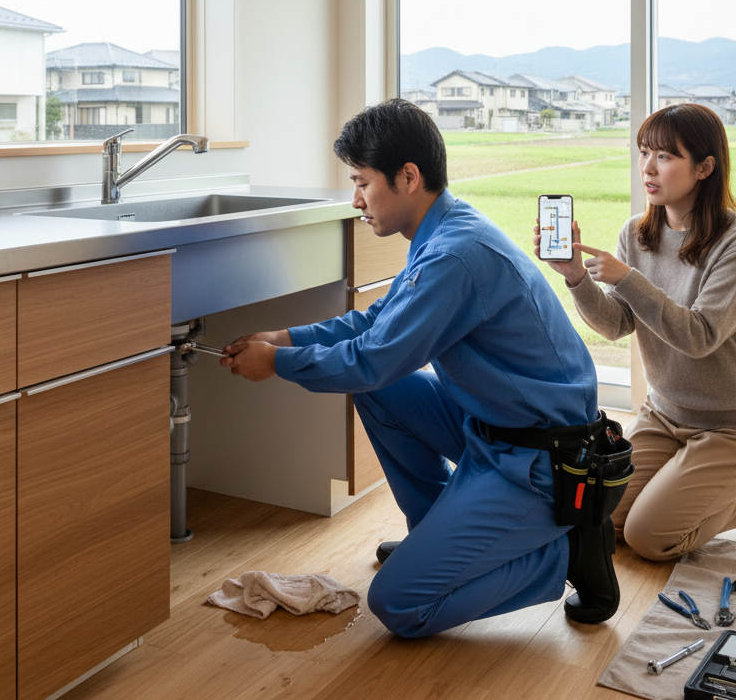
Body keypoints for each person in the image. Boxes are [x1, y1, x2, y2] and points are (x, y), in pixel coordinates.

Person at [220, 99, 617, 638]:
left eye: (362, 182)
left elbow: (375, 357)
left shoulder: (455, 255)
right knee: (383, 392)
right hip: (492, 428)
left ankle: (564, 551)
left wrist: (279, 363)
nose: (355, 198)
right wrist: (284, 338)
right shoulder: (441, 230)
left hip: (538, 458)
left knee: (399, 605)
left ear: (408, 177)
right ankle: (437, 533)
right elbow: (379, 322)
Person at [535, 103, 736, 562]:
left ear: (705, 167)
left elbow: (700, 336)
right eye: (643, 153)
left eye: (665, 157)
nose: (648, 169)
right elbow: (616, 324)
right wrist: (576, 277)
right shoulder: (635, 235)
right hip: (666, 415)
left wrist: (626, 279)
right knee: (604, 521)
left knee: (650, 538)